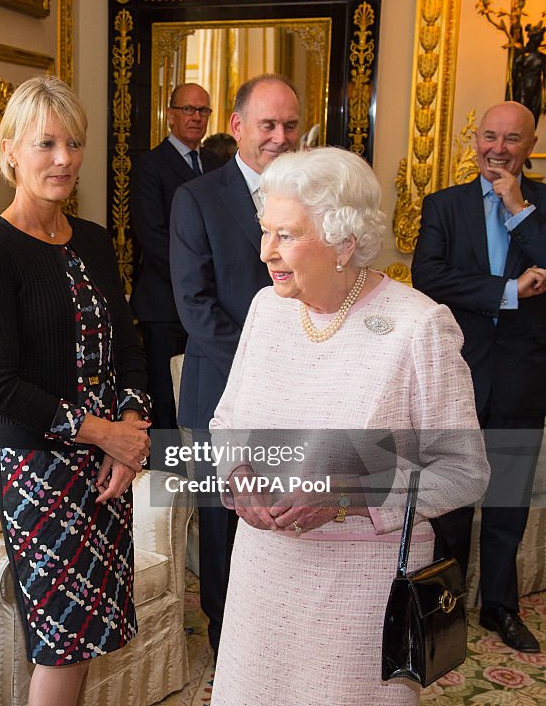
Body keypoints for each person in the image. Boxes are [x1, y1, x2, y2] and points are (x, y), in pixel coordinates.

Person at [210, 146, 490, 704]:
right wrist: (237, 472)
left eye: (286, 235)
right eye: (266, 231)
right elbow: (226, 423)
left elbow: (466, 471)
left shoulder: (419, 327)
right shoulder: (268, 310)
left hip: (357, 591)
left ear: (344, 243)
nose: (267, 251)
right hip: (260, 581)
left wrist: (345, 496)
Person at [0, 76, 151, 706]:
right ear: (11, 149)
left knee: (89, 639)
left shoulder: (94, 240)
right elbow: (2, 390)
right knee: (62, 643)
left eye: (73, 142)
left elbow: (128, 345)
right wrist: (108, 435)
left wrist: (130, 432)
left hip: (104, 463)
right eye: (46, 143)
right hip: (37, 471)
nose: (64, 158)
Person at [412, 101, 546, 653]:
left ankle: (501, 607)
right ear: (473, 139)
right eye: (489, 136)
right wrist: (507, 292)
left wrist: (519, 208)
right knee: (450, 502)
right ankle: (441, 611)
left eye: (512, 140)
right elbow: (429, 275)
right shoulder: (444, 206)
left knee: (507, 504)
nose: (497, 149)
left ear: (531, 144)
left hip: (525, 374)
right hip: (460, 374)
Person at [169, 73, 300, 650]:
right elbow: (195, 309)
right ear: (238, 127)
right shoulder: (196, 198)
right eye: (268, 125)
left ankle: (274, 629)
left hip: (296, 392)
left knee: (284, 516)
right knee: (222, 522)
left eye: (290, 125)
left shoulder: (309, 198)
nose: (279, 137)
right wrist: (267, 361)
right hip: (218, 389)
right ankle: (227, 641)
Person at [130, 83, 223, 430]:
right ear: (170, 115)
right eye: (188, 109)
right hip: (163, 304)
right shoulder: (150, 165)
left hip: (209, 306)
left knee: (202, 394)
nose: (196, 117)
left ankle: (202, 471)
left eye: (203, 110)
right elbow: (152, 237)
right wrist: (199, 279)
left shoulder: (216, 163)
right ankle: (167, 476)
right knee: (165, 399)